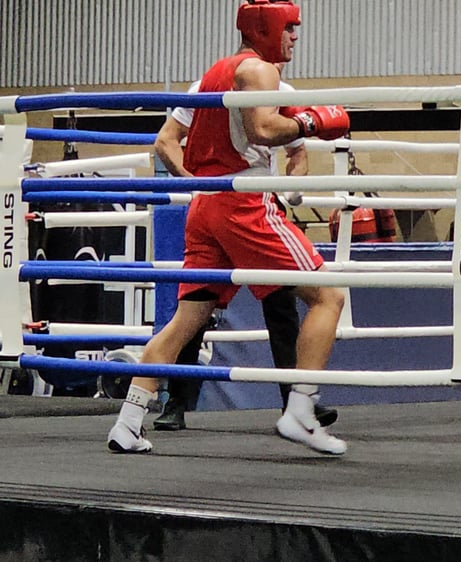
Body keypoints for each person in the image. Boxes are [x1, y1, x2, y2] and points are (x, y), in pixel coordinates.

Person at [107, 0, 350, 455]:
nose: (295, 37)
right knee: (329, 295)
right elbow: (260, 130)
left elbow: (170, 139)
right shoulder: (259, 72)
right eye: (290, 28)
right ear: (267, 29)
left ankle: (128, 420)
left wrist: (198, 183)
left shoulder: (213, 72)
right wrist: (312, 121)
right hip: (243, 203)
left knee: (187, 321)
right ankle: (301, 408)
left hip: (207, 206)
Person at [151, 68, 337, 432]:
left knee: (267, 304)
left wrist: (285, 190)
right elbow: (166, 140)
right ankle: (177, 401)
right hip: (231, 206)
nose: (292, 40)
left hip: (249, 204)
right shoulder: (204, 89)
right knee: (198, 307)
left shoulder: (282, 91)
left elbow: (298, 154)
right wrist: (196, 183)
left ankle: (295, 402)